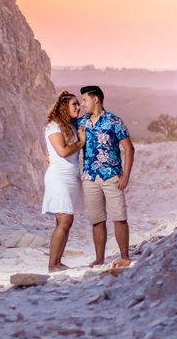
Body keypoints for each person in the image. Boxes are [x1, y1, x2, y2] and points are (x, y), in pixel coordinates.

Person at [77, 85, 135, 266]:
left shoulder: (114, 121)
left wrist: (125, 175)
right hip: (89, 177)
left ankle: (125, 256)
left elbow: (128, 148)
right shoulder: (81, 123)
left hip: (111, 176)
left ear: (96, 99)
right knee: (97, 220)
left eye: (85, 100)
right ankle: (99, 259)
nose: (82, 104)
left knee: (119, 217)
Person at [42, 91, 86, 272]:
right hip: (59, 177)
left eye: (79, 104)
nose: (79, 107)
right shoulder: (54, 127)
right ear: (64, 108)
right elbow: (62, 151)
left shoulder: (72, 126)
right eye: (74, 104)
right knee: (65, 220)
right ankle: (53, 265)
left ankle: (57, 262)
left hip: (71, 176)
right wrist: (81, 142)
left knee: (66, 221)